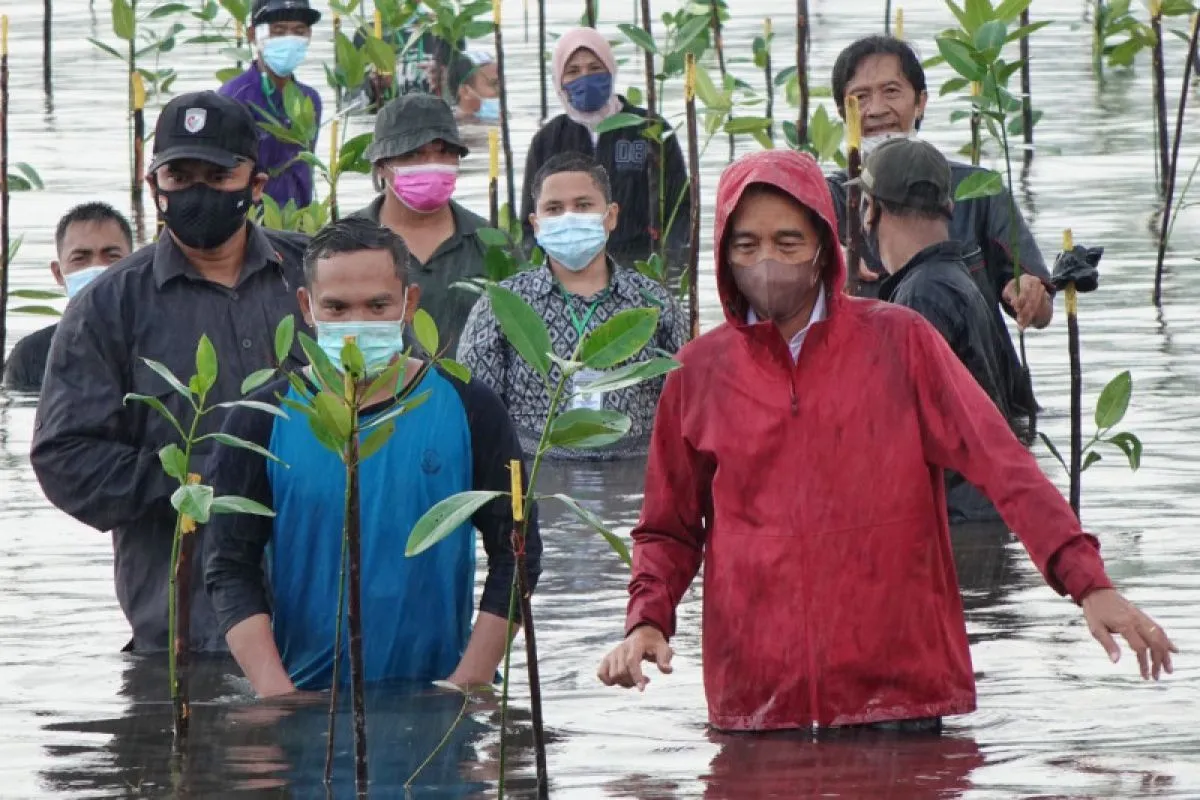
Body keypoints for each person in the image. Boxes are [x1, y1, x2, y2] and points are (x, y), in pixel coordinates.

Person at [595, 149, 1177, 733]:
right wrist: (647, 621)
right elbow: (668, 528)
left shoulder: (900, 342)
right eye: (746, 246)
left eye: (788, 242)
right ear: (724, 255)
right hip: (759, 700)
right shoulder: (698, 373)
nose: (767, 261)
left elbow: (1005, 469)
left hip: (902, 693)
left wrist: (1088, 583)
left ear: (824, 245)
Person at [204, 217, 539, 695]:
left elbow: (519, 551)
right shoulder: (262, 418)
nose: (356, 325)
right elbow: (229, 565)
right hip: (306, 698)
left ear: (409, 303)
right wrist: (277, 694)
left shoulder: (469, 406)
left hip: (442, 695)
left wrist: (469, 682)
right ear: (307, 307)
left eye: (377, 305)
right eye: (336, 308)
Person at [30, 91, 310, 653]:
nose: (198, 190)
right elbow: (63, 457)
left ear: (257, 185)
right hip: (186, 629)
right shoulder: (106, 307)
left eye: (218, 174)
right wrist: (193, 480)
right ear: (153, 184)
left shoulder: (319, 276)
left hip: (328, 617)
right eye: (180, 176)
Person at [826, 36, 1050, 425]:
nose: (876, 109)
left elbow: (1042, 309)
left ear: (921, 101)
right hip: (874, 409)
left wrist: (1030, 293)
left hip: (988, 406)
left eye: (891, 91)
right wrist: (834, 263)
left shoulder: (979, 189)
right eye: (860, 97)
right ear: (842, 113)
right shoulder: (824, 201)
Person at [458, 153, 686, 460]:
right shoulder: (502, 306)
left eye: (582, 205)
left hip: (633, 477)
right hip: (537, 477)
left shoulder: (653, 303)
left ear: (611, 216)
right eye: (554, 209)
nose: (568, 218)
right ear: (536, 225)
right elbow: (476, 412)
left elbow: (688, 403)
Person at [854, 137, 1024, 522]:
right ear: (948, 207)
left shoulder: (921, 297)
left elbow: (895, 429)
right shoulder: (953, 279)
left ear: (872, 211)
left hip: (959, 521)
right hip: (982, 512)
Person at [519, 27, 690, 270]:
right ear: (560, 81)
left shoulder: (648, 128)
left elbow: (680, 208)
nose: (585, 78)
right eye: (573, 71)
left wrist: (670, 264)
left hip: (640, 264)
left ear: (610, 69)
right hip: (567, 269)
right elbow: (529, 221)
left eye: (595, 68)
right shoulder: (547, 140)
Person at [353, 93, 489, 351]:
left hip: (470, 390)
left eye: (443, 152)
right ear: (381, 165)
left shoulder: (490, 243)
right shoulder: (344, 244)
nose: (432, 165)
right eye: (413, 155)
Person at [2, 203, 133, 392]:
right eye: (80, 258)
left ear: (136, 266)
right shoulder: (30, 355)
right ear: (58, 273)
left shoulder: (158, 345)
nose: (97, 269)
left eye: (112, 256)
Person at [219, 0, 322, 209]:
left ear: (309, 36)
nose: (289, 39)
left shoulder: (310, 100)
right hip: (250, 221)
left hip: (298, 222)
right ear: (252, 35)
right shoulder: (233, 97)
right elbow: (223, 173)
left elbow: (305, 168)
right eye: (278, 30)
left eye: (299, 31)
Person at [449, 50, 500, 123]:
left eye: (503, 83)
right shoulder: (452, 128)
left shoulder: (496, 118)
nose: (501, 90)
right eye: (494, 84)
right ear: (465, 91)